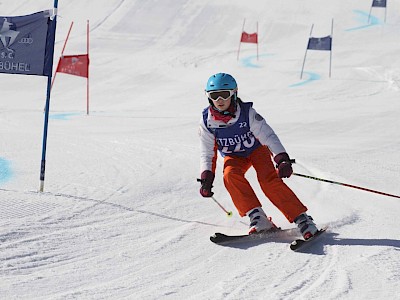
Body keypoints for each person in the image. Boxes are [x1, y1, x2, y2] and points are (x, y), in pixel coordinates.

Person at [198, 73, 319, 240]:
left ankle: (302, 219)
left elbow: (268, 136)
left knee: (268, 180)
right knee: (230, 175)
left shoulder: (247, 113)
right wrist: (206, 177)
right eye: (214, 95)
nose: (219, 99)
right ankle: (258, 217)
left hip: (256, 150)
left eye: (224, 94)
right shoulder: (207, 121)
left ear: (234, 93)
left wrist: (281, 159)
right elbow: (207, 152)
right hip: (234, 156)